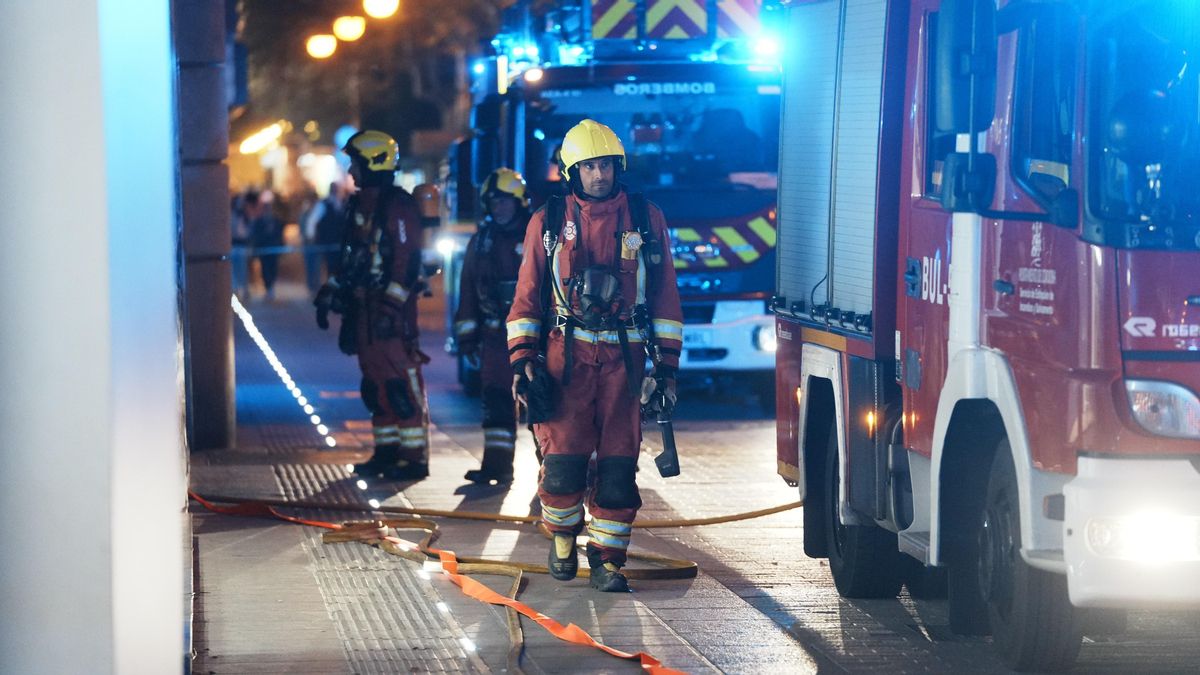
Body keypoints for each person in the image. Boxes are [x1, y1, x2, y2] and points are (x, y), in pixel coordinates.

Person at [506, 119, 684, 592]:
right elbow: (527, 294)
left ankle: (607, 561)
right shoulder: (548, 222)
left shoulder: (646, 219)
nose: (599, 175)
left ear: (617, 166)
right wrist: (523, 357)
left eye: (605, 165)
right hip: (567, 357)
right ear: (572, 172)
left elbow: (665, 296)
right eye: (588, 167)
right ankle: (562, 537)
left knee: (618, 469)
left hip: (625, 363)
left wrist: (666, 367)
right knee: (562, 465)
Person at [314, 130, 432, 481]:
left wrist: (390, 311)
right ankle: (386, 452)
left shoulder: (398, 207)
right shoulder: (359, 206)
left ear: (374, 163)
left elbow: (406, 264)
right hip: (364, 311)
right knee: (374, 384)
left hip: (390, 316)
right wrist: (329, 294)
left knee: (400, 383)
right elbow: (351, 258)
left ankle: (413, 457)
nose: (351, 171)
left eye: (355, 163)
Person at [454, 168, 532, 485]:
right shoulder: (481, 242)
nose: (498, 207)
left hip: (533, 337)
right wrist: (467, 339)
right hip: (495, 335)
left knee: (541, 402)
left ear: (519, 203)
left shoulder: (537, 237)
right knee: (497, 400)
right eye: (493, 202)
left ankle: (554, 471)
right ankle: (497, 465)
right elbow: (468, 290)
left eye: (504, 201)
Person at [302, 181, 346, 296]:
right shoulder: (324, 204)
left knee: (335, 266)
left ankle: (333, 288)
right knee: (322, 266)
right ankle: (319, 288)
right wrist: (311, 237)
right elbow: (312, 221)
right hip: (325, 241)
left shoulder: (341, 203)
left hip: (337, 242)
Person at [245, 190, 284, 300]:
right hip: (264, 249)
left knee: (273, 269)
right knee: (265, 269)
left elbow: (279, 234)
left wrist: (280, 245)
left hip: (274, 249)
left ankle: (271, 287)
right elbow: (256, 235)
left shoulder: (276, 221)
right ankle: (268, 288)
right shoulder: (259, 221)